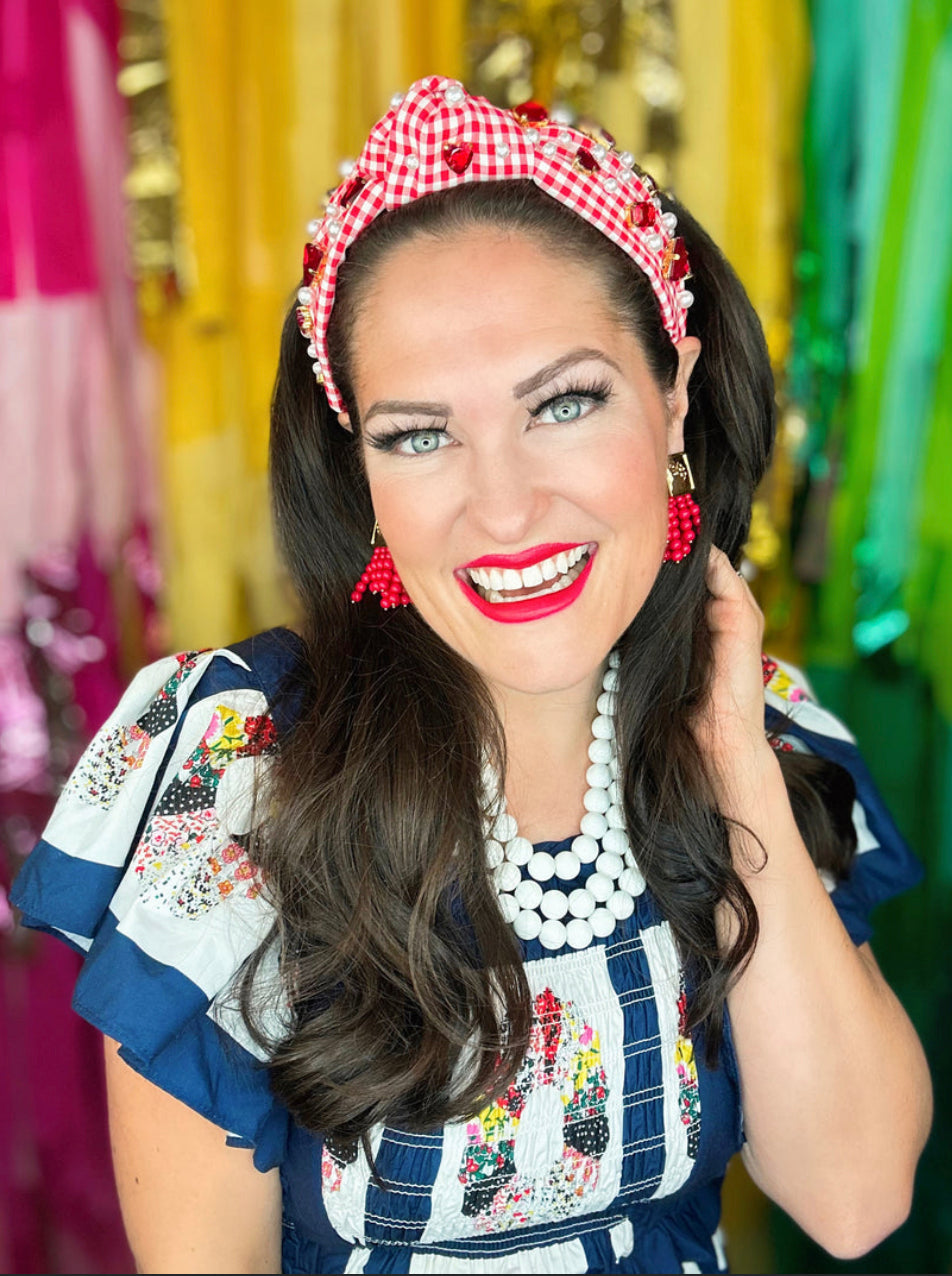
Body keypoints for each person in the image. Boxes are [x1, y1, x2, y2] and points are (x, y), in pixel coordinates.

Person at [12, 77, 932, 1274]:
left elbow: (854, 1197)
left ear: (674, 400)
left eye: (564, 402)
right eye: (419, 433)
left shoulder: (751, 729)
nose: (503, 509)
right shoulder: (238, 772)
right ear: (362, 473)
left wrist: (732, 761)